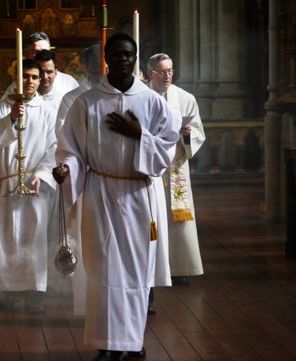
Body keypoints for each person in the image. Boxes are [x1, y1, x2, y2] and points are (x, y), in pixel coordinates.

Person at [53, 34, 180, 361]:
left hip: (137, 194)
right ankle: (108, 345)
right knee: (103, 270)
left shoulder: (151, 101)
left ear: (135, 58)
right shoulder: (88, 102)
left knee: (137, 271)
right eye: (117, 54)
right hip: (100, 193)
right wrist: (66, 170)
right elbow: (71, 149)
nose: (123, 59)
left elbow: (167, 150)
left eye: (128, 54)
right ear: (107, 58)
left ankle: (133, 341)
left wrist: (139, 135)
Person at [0, 59, 58, 315]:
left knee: (34, 239)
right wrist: (12, 119)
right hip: (7, 183)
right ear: (15, 77)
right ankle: (9, 292)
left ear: (40, 80)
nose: (30, 81)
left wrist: (42, 173)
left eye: (35, 77)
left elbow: (54, 147)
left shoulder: (46, 111)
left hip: (34, 185)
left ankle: (35, 294)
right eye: (25, 76)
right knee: (7, 240)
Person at [147, 53, 205, 286]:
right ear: (151, 73)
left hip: (175, 167)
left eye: (170, 70)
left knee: (176, 218)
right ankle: (151, 264)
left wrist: (189, 134)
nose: (167, 75)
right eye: (162, 71)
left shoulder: (185, 98)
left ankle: (179, 266)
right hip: (150, 165)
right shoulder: (142, 96)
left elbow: (199, 132)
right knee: (151, 216)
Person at [55, 44, 103, 316]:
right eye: (95, 63)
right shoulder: (73, 99)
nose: (100, 69)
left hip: (118, 184)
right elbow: (65, 143)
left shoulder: (127, 95)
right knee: (87, 246)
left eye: (104, 62)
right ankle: (87, 306)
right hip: (86, 183)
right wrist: (68, 168)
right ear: (85, 66)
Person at [3, 31, 79, 98]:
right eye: (35, 52)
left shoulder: (68, 82)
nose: (41, 55)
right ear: (27, 54)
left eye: (44, 51)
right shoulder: (19, 84)